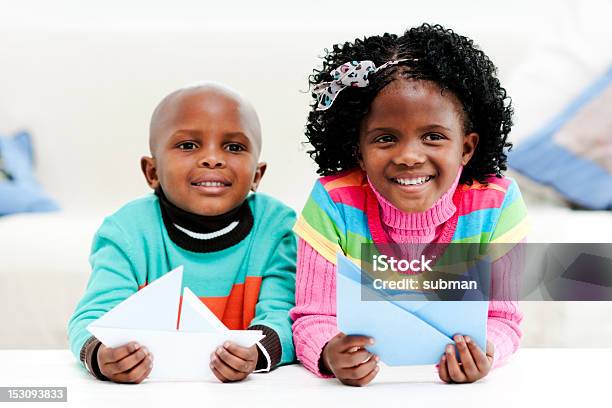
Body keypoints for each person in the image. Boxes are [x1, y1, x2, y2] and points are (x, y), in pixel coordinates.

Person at [290, 23, 528, 386]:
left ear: (466, 147)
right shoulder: (333, 201)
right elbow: (314, 316)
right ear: (359, 149)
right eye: (386, 138)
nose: (409, 157)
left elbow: (503, 318)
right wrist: (328, 352)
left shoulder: (496, 204)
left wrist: (486, 352)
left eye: (433, 136)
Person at [68, 83, 296, 383]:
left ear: (257, 174)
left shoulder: (275, 228)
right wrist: (102, 354)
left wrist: (254, 353)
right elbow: (93, 317)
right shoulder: (127, 231)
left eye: (234, 147)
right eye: (188, 145)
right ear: (152, 172)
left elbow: (285, 315)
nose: (213, 159)